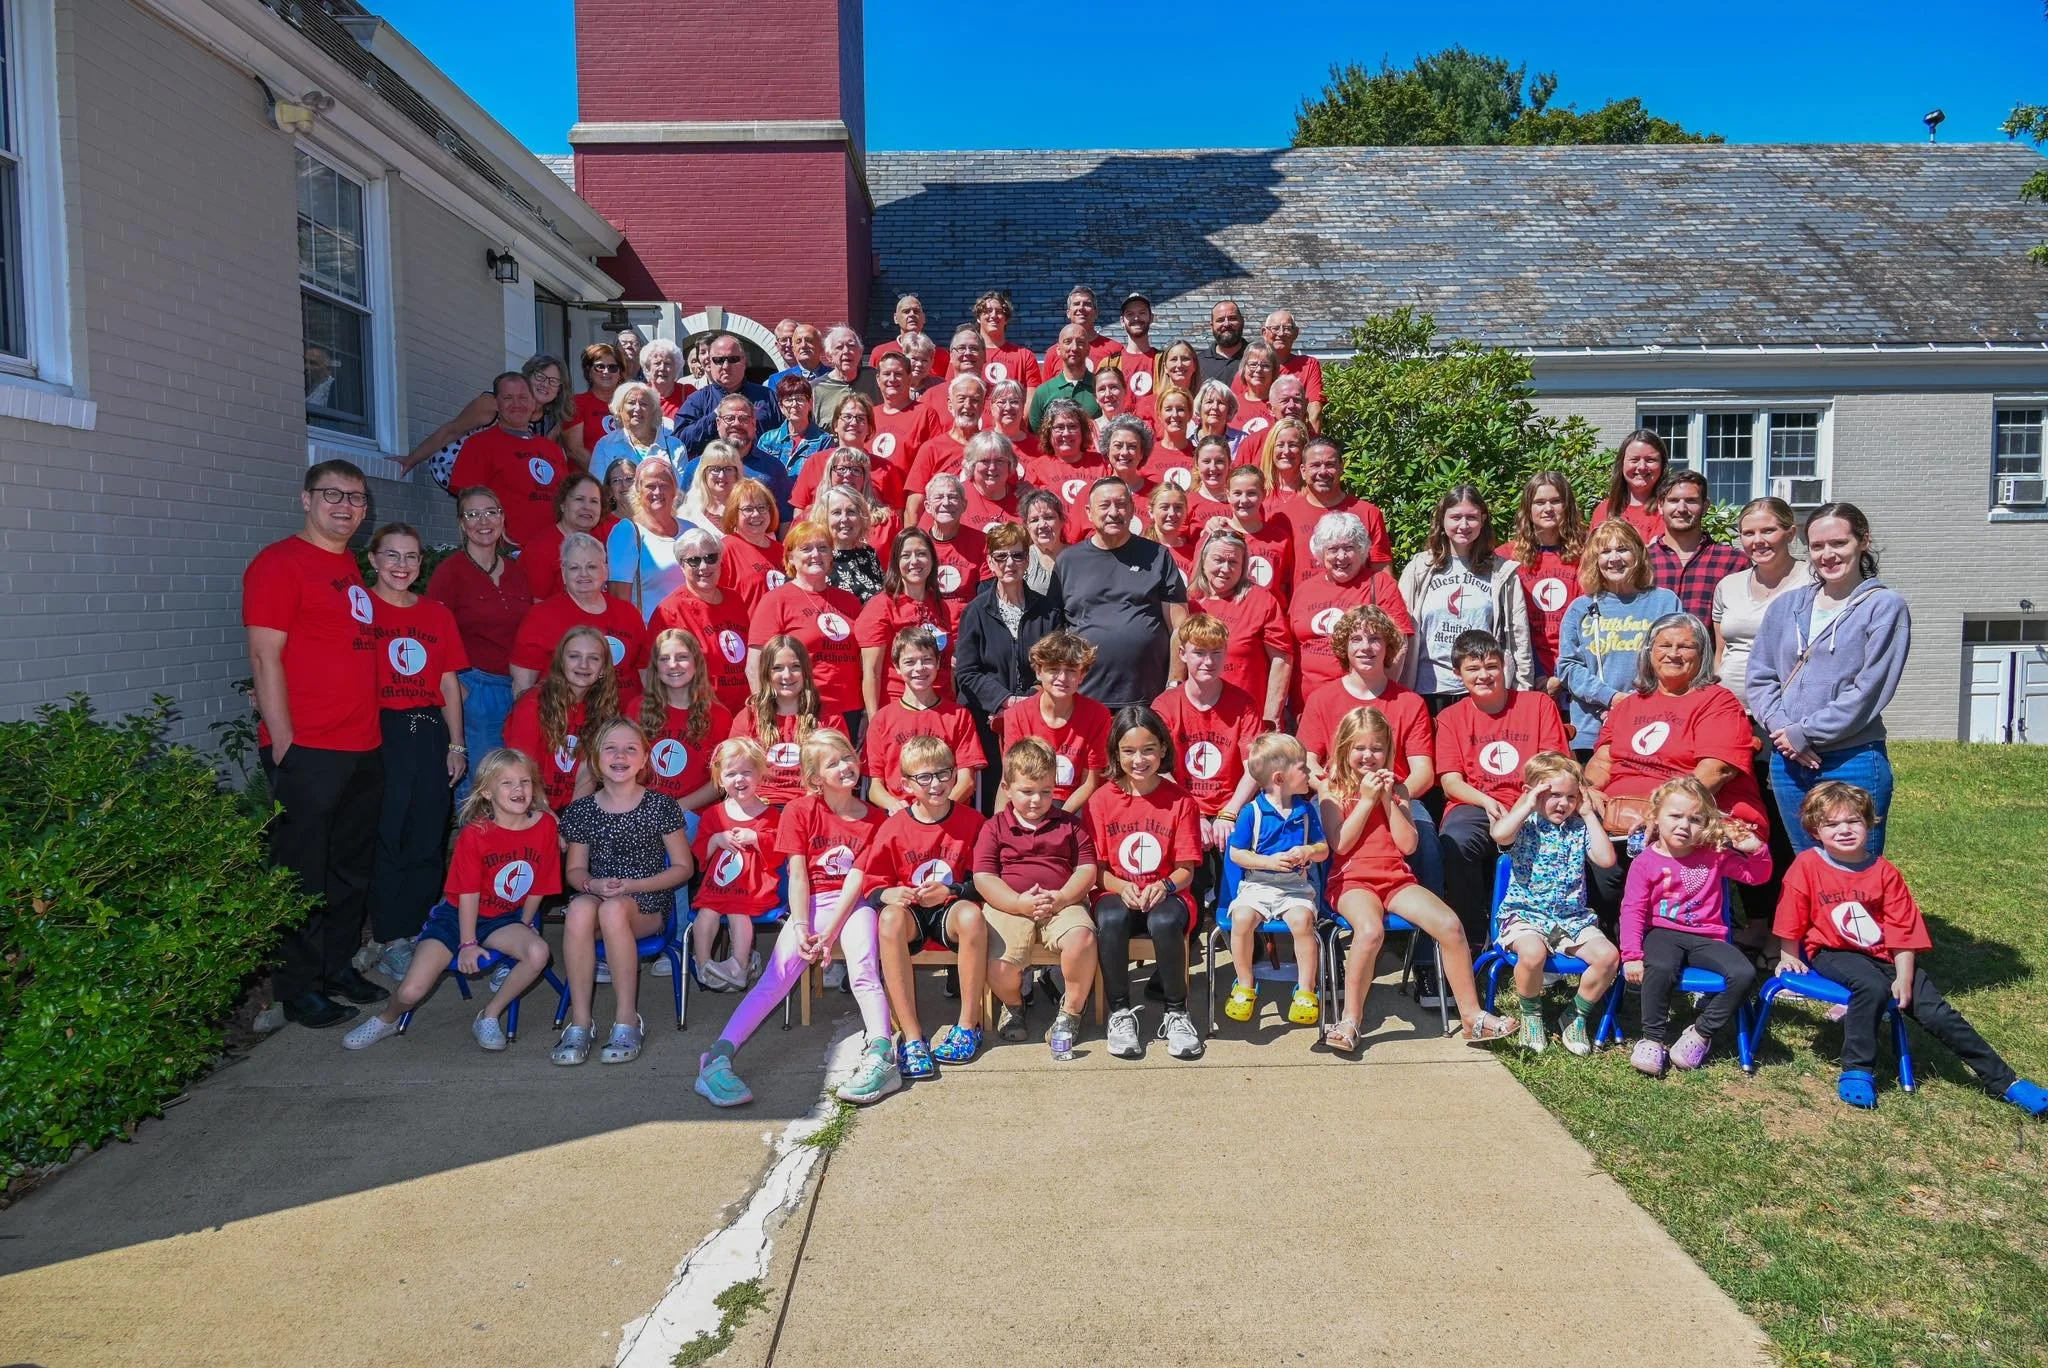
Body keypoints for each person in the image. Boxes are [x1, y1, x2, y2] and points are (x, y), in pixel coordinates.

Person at [1774, 783, 2048, 1115]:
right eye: (1832, 824)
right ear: (1815, 830)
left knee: (1936, 1012)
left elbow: (1902, 929)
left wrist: (1904, 977)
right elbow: (1791, 911)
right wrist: (1788, 953)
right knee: (1870, 987)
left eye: (1853, 822)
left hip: (1886, 954)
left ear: (1868, 823)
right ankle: (1857, 1069)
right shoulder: (1808, 865)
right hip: (1832, 950)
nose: (1844, 830)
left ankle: (2005, 1081)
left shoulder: (1884, 873)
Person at [243, 459, 388, 1028]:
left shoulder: (348, 566)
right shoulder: (279, 564)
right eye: (332, 495)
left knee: (349, 868)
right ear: (306, 500)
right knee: (302, 869)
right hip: (308, 749)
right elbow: (264, 656)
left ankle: (334, 967)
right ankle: (297, 987)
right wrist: (283, 742)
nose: (346, 506)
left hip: (361, 745)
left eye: (356, 497)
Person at [695, 730, 899, 1107]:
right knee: (777, 976)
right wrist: (804, 926)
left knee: (864, 968)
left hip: (853, 906)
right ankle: (717, 1058)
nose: (845, 766)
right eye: (833, 762)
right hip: (811, 901)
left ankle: (882, 1054)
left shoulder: (876, 819)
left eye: (848, 757)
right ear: (814, 778)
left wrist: (830, 933)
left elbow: (858, 879)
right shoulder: (800, 810)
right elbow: (799, 874)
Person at [1320, 706, 1518, 1053]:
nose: (1368, 756)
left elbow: (1408, 843)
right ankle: (1350, 1019)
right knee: (1370, 931)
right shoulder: (1330, 790)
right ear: (1344, 748)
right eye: (1359, 747)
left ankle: (1472, 1018)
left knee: (1450, 924)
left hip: (1395, 878)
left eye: (1377, 748)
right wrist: (1367, 801)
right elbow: (1341, 842)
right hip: (1353, 881)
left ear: (1388, 751)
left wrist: (1387, 799)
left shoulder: (1397, 788)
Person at [342, 748, 558, 1052]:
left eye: (524, 781)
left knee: (538, 952)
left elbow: (540, 883)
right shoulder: (476, 834)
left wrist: (525, 922)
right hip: (456, 918)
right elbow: (467, 893)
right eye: (506, 783)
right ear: (486, 792)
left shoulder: (545, 826)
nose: (519, 789)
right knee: (411, 990)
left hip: (503, 918)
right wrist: (468, 943)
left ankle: (489, 1015)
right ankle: (387, 1019)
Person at [1583, 613, 1773, 922]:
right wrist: (1589, 792)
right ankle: (1607, 934)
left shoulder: (1718, 702)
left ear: (1702, 655)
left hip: (1688, 812)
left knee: (1630, 851)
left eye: (1685, 646)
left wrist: (1660, 813)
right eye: (1665, 645)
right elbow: (1603, 761)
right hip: (1618, 812)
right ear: (1649, 652)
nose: (1673, 653)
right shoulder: (1629, 705)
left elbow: (1715, 772)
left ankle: (1658, 933)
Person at [1746, 503, 1910, 856]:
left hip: (1852, 760)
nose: (1827, 555)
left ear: (1863, 541)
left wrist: (1804, 733)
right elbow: (1760, 678)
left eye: (1838, 543)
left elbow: (1869, 690)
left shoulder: (1883, 606)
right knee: (1807, 866)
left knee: (1854, 865)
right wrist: (1785, 732)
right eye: (1817, 546)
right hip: (1788, 760)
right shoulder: (1785, 606)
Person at [551, 719, 694, 1066]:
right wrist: (592, 885)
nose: (620, 756)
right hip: (598, 894)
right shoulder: (582, 810)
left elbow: (682, 867)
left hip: (645, 902)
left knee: (612, 910)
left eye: (631, 748)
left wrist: (632, 886)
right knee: (583, 909)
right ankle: (581, 1022)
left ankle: (628, 1018)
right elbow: (575, 870)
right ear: (596, 760)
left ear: (645, 758)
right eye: (610, 748)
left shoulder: (660, 805)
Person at [363, 524, 468, 980]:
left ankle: (424, 931)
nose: (401, 566)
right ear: (373, 559)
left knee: (427, 832)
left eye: (411, 557)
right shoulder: (359, 610)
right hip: (379, 728)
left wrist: (456, 744)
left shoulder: (436, 614)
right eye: (392, 556)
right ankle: (389, 936)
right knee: (389, 834)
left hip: (426, 727)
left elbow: (448, 683)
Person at [1618, 777, 1769, 1076]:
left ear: (1707, 824)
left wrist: (1757, 849)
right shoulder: (1645, 862)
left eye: (1695, 819)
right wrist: (1631, 954)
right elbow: (1632, 910)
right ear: (1655, 816)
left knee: (1744, 973)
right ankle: (1652, 1038)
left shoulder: (1714, 856)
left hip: (1707, 936)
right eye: (1675, 816)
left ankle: (1700, 1033)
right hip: (1663, 933)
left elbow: (1758, 877)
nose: (1684, 825)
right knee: (1659, 968)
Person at [863, 734, 992, 1077]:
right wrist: (887, 894)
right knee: (888, 920)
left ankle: (968, 1025)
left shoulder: (973, 823)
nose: (935, 784)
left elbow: (985, 881)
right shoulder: (893, 827)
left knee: (971, 915)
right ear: (906, 783)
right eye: (924, 777)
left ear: (955, 775)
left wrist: (951, 889)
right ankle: (912, 1037)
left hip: (949, 910)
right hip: (912, 916)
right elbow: (870, 883)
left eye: (942, 774)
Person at [1433, 630, 1572, 948]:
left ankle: (1548, 936)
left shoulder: (1537, 705)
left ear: (1505, 665)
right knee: (1456, 841)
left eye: (1491, 666)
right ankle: (1470, 940)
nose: (1484, 675)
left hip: (1535, 801)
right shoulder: (1451, 717)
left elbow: (1554, 767)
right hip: (1476, 804)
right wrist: (1486, 801)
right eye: (1473, 669)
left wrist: (1524, 804)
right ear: (1458, 674)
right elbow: (1450, 782)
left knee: (1556, 837)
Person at [1712, 496, 1812, 924]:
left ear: (1790, 532)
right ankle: (1754, 920)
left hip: (1786, 719)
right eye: (1749, 532)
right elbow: (1721, 652)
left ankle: (1790, 922)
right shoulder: (1729, 586)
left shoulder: (1811, 580)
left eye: (1768, 530)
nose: (1758, 540)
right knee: (1745, 821)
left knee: (1786, 823)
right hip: (1734, 718)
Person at [1087, 706, 1205, 1061]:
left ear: (1164, 750)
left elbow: (1186, 869)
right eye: (1129, 751)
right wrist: (1122, 887)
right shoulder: (1101, 800)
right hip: (1116, 892)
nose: (1139, 759)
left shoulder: (1181, 801)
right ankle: (1120, 1012)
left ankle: (1177, 1012)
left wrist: (1165, 887)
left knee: (1164, 920)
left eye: (1148, 749)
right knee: (1111, 919)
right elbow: (1097, 869)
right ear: (1115, 752)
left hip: (1168, 893)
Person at [971, 738, 1101, 1060]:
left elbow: (1087, 868)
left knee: (1083, 940)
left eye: (1046, 792)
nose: (1036, 800)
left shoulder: (1070, 825)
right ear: (1007, 788)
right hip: (1010, 905)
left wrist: (1062, 897)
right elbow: (984, 877)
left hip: (1063, 902)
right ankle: (1014, 1005)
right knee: (997, 961)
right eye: (1027, 791)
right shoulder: (995, 827)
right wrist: (1017, 903)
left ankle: (1070, 1011)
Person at [1486, 751, 1619, 1056]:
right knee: (1532, 953)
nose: (1563, 803)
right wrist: (1527, 805)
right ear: (1533, 793)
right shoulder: (1525, 823)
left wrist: (1587, 815)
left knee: (1608, 957)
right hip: (1525, 916)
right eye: (1554, 795)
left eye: (1571, 796)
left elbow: (1606, 859)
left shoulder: (1578, 825)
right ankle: (1531, 1014)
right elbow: (1501, 835)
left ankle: (1575, 1015)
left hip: (1570, 920)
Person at [427, 487, 535, 802]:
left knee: (514, 779)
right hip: (474, 689)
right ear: (462, 524)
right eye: (472, 514)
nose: (483, 521)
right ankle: (474, 850)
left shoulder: (516, 571)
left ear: (502, 517)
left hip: (517, 688)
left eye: (490, 512)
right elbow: (432, 638)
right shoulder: (450, 573)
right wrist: (458, 690)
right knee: (482, 785)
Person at [1152, 613, 1263, 915]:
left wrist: (1228, 813)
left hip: (1231, 806)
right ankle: (1187, 918)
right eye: (1199, 652)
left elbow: (1254, 767)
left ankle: (1235, 918)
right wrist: (1194, 812)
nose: (1208, 661)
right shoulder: (1165, 705)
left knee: (1236, 857)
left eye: (1216, 652)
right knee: (1189, 866)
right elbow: (1159, 768)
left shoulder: (1243, 704)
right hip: (1183, 805)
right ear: (1182, 654)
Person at [953, 522, 1065, 809]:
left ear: (1028, 559)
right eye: (1001, 556)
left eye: (1017, 555)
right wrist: (1004, 701)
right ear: (990, 562)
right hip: (986, 722)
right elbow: (966, 671)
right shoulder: (975, 611)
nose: (1009, 563)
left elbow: (1054, 666)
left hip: (1036, 717)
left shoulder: (1048, 611)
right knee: (993, 797)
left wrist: (1025, 702)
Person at [1051, 478, 1189, 711]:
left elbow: (1180, 626)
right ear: (1089, 511)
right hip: (1085, 698)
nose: (1114, 512)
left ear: (1133, 509)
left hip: (1148, 697)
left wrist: (1174, 683)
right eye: (1105, 505)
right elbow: (1054, 631)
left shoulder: (1158, 556)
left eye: (1121, 504)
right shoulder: (1068, 561)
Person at [1221, 733, 1328, 1033]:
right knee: (1241, 919)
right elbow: (1237, 854)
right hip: (1258, 885)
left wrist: (1308, 850)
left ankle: (1306, 991)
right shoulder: (1252, 812)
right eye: (1303, 769)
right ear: (1280, 778)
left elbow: (1323, 849)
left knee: (1302, 922)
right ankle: (1245, 984)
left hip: (1294, 887)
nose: (1310, 773)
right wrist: (1268, 862)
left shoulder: (1305, 811)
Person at [1395, 486, 1534, 706]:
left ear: (1483, 519)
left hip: (1482, 689)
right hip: (1428, 689)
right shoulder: (1418, 569)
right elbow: (1398, 631)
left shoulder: (1502, 573)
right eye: (1455, 517)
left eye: (1471, 517)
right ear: (1443, 519)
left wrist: (1523, 690)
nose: (1463, 525)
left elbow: (1519, 639)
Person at [1554, 519, 1683, 754]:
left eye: (1622, 549)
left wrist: (1633, 703)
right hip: (1592, 729)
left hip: (1652, 724)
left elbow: (1675, 661)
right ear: (1595, 560)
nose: (1614, 558)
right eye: (1605, 551)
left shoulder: (1665, 602)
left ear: (1638, 554)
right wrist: (1611, 698)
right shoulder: (1580, 608)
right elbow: (1568, 667)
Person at [747, 519, 867, 734]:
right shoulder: (776, 601)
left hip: (850, 708)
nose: (816, 554)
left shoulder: (849, 601)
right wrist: (765, 713)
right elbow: (755, 664)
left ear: (831, 556)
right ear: (791, 556)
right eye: (806, 549)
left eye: (823, 548)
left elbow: (862, 658)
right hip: (803, 709)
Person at [1289, 511, 1414, 708]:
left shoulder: (1380, 584)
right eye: (1333, 549)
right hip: (1307, 705)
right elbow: (1292, 649)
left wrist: (1379, 698)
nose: (1341, 556)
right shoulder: (1304, 590)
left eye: (1349, 548)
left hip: (1363, 705)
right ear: (1321, 553)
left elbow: (1399, 645)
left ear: (1362, 550)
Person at [510, 532, 650, 698]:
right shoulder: (541, 617)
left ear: (605, 571)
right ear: (563, 573)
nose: (584, 574)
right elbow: (522, 686)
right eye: (574, 568)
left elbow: (645, 672)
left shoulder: (628, 613)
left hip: (624, 718)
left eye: (591, 567)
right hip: (565, 718)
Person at [502, 624, 623, 814]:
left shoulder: (603, 709)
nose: (583, 665)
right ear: (561, 663)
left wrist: (572, 820)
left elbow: (587, 774)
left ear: (603, 670)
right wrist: (549, 819)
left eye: (593, 658)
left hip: (570, 805)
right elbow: (521, 769)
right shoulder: (533, 703)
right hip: (528, 802)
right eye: (574, 656)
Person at [862, 626, 984, 812]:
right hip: (901, 815)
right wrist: (898, 808)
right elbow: (874, 788)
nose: (919, 668)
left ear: (937, 663)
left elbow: (966, 782)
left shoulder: (958, 715)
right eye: (909, 662)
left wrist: (938, 810)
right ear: (896, 667)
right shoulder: (882, 720)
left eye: (927, 660)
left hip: (947, 812)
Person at [402, 355, 571, 489]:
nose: (545, 384)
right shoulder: (494, 403)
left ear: (559, 390)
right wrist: (411, 460)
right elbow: (452, 430)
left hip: (504, 472)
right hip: (459, 465)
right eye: (540, 376)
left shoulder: (552, 420)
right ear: (526, 378)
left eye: (553, 381)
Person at [690, 738, 778, 992]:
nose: (739, 779)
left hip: (751, 886)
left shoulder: (770, 814)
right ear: (719, 778)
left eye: (747, 772)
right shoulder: (714, 814)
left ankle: (740, 965)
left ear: (761, 775)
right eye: (731, 773)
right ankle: (704, 963)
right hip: (718, 884)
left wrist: (757, 838)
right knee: (706, 914)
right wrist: (717, 839)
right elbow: (700, 853)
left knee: (738, 912)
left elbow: (778, 853)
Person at [1187, 527, 1292, 728]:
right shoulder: (1190, 603)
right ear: (1203, 560)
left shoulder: (1261, 601)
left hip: (1248, 717)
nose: (1226, 569)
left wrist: (1272, 715)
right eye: (1218, 560)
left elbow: (1282, 658)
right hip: (1199, 716)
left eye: (1233, 562)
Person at [451, 373, 567, 552]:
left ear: (533, 403)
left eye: (522, 397)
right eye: (508, 398)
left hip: (555, 552)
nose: (516, 404)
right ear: (497, 403)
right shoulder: (479, 445)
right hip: (507, 553)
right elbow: (468, 504)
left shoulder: (552, 450)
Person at [998, 629, 1112, 813]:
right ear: (1038, 671)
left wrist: (1058, 822)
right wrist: (998, 824)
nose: (1062, 678)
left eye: (1071, 671)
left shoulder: (1098, 715)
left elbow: (1090, 783)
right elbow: (1009, 778)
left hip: (1075, 807)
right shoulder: (1017, 714)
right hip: (1029, 802)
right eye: (1053, 669)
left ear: (1082, 675)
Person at [1503, 471, 1589, 691]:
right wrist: (1538, 674)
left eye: (1556, 501)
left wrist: (1562, 676)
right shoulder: (1506, 557)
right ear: (1528, 509)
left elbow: (1590, 623)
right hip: (1525, 673)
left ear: (1567, 506)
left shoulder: (1588, 553)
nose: (1548, 509)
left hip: (1577, 671)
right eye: (1539, 502)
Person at [856, 529, 954, 717]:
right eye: (905, 555)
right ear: (895, 562)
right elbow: (871, 673)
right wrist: (875, 721)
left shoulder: (940, 604)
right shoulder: (881, 606)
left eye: (922, 554)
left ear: (932, 560)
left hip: (941, 707)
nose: (914, 561)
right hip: (898, 708)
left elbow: (947, 665)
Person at [640, 628, 730, 823]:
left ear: (697, 663)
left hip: (692, 814)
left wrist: (676, 808)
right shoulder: (637, 709)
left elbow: (720, 781)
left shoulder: (719, 715)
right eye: (664, 659)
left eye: (682, 657)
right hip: (643, 810)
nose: (673, 665)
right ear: (655, 666)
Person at [1276, 436, 1394, 581]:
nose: (1323, 471)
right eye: (1315, 465)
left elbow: (1383, 576)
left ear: (1341, 468)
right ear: (1303, 470)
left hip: (1356, 602)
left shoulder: (1368, 513)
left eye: (1330, 464)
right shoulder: (1284, 516)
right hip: (1303, 602)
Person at [729, 634, 823, 809]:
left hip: (810, 806)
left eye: (795, 667)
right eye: (777, 668)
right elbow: (732, 771)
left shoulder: (827, 716)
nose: (787, 675)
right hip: (758, 805)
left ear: (805, 671)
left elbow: (834, 772)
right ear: (766, 673)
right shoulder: (748, 717)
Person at [1648, 470, 1745, 624]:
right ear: (1660, 505)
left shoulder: (1733, 562)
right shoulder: (1642, 560)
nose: (1681, 508)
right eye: (1673, 500)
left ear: (1705, 506)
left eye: (1691, 501)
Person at [606, 455, 691, 619]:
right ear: (638, 491)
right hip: (650, 637)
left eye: (664, 485)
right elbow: (618, 602)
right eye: (650, 486)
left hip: (690, 635)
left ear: (675, 490)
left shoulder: (691, 530)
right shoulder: (626, 532)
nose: (657, 492)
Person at [904, 375, 989, 522]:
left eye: (975, 400)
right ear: (950, 405)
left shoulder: (992, 447)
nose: (968, 405)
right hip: (939, 535)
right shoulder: (931, 449)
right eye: (961, 399)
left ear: (982, 406)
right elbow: (913, 507)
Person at [676, 332, 776, 455]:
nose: (726, 366)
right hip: (713, 470)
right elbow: (679, 443)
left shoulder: (767, 397)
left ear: (744, 361)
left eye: (733, 359)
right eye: (718, 360)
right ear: (709, 363)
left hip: (759, 470)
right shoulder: (697, 401)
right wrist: (715, 417)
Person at [520, 472, 609, 603]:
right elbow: (535, 604)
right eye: (579, 499)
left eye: (594, 501)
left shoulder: (600, 543)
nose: (587, 507)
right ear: (562, 505)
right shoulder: (541, 548)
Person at [589, 381, 686, 487]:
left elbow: (681, 491)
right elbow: (598, 491)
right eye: (631, 403)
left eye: (644, 404)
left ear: (653, 411)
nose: (637, 408)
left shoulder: (675, 447)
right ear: (619, 409)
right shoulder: (604, 445)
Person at [871, 352, 943, 488]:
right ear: (878, 379)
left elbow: (935, 459)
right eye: (886, 374)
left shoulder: (925, 414)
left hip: (907, 500)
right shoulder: (869, 415)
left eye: (898, 374)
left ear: (909, 378)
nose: (892, 379)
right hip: (870, 498)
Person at [918, 474, 990, 610]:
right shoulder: (917, 544)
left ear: (964, 505)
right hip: (927, 624)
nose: (946, 503)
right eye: (939, 497)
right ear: (927, 506)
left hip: (969, 625)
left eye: (953, 497)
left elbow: (986, 599)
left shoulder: (982, 543)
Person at [718, 478, 786, 617]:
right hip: (748, 634)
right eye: (748, 509)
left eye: (762, 508)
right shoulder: (724, 550)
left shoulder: (782, 551)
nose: (756, 514)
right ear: (733, 513)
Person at [1221, 463, 1293, 590]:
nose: (1244, 500)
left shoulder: (1281, 540)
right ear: (1228, 495)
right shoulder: (1217, 535)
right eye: (1237, 493)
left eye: (1251, 493)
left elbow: (1285, 586)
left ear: (1263, 494)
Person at [1591, 429, 1669, 543]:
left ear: (1662, 465)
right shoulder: (1605, 509)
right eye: (1634, 459)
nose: (1642, 466)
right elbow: (1591, 557)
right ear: (1621, 463)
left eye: (1650, 460)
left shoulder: (1670, 510)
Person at [1023, 399, 1107, 505]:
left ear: (1083, 431)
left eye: (1072, 426)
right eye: (1059, 427)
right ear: (1048, 432)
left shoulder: (1101, 463)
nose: (1066, 433)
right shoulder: (1036, 468)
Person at [1027, 324, 1102, 428]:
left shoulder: (1102, 388)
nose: (1074, 347)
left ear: (1088, 349)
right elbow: (1036, 438)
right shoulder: (1043, 392)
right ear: (1058, 350)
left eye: (1080, 342)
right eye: (1068, 342)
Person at [1259, 309, 1324, 429]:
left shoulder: (1308, 365)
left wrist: (1310, 443)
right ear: (1264, 332)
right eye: (1275, 328)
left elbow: (1314, 409)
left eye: (1287, 328)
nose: (1281, 333)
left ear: (1296, 333)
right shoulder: (1252, 369)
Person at [757, 373, 834, 475]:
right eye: (788, 400)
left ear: (810, 403)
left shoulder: (824, 441)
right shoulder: (767, 440)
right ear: (781, 407)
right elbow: (760, 476)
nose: (794, 405)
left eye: (800, 399)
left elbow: (821, 477)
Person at [1040, 285, 1125, 376]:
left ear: (1096, 313)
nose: (1081, 308)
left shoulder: (1115, 350)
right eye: (1076, 304)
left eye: (1087, 304)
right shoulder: (1053, 353)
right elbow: (1046, 389)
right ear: (1068, 313)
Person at [812, 325, 882, 430]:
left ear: (860, 352)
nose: (846, 351)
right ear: (829, 356)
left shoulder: (876, 379)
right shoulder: (816, 389)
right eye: (839, 347)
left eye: (851, 345)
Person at [567, 343, 625, 470]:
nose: (606, 372)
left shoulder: (628, 404)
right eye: (599, 366)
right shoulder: (576, 403)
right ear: (589, 370)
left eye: (612, 367)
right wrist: (604, 476)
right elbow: (575, 450)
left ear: (620, 373)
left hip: (624, 480)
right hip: (588, 480)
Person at [973, 290, 1042, 390]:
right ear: (978, 318)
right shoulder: (966, 355)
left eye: (999, 311)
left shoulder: (1025, 356)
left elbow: (1032, 400)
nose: (993, 315)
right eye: (988, 311)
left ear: (1006, 319)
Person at [676, 439, 743, 539]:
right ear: (704, 473)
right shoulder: (688, 513)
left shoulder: (750, 509)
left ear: (737, 473)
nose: (721, 475)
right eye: (715, 469)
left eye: (728, 469)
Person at [871, 294, 950, 377]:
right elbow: (872, 386)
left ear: (923, 318)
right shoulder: (880, 353)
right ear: (896, 318)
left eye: (916, 311)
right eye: (906, 311)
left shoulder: (941, 355)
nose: (912, 314)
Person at [959, 430, 1022, 532]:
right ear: (972, 465)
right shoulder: (957, 496)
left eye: (999, 461)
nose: (992, 467)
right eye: (984, 461)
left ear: (1010, 465)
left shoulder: (1023, 498)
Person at [1143, 387, 1198, 491]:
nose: (1175, 415)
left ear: (1190, 414)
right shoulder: (1146, 454)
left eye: (1181, 409)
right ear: (1159, 415)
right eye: (1168, 409)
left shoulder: (1199, 455)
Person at [1229, 341, 1278, 442]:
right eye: (1253, 364)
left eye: (1265, 365)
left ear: (1274, 371)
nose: (1258, 369)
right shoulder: (1232, 404)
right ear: (1244, 369)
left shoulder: (1279, 404)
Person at [1148, 482, 1196, 582]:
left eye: (1178, 507)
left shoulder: (1193, 554)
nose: (1172, 513)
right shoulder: (1140, 549)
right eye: (1164, 507)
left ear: (1186, 511)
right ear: (1151, 511)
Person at [1020, 488, 1065, 594]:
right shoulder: (1020, 560)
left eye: (1049, 517)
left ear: (1062, 521)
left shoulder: (1078, 556)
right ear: (1027, 526)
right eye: (1034, 520)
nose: (1042, 525)